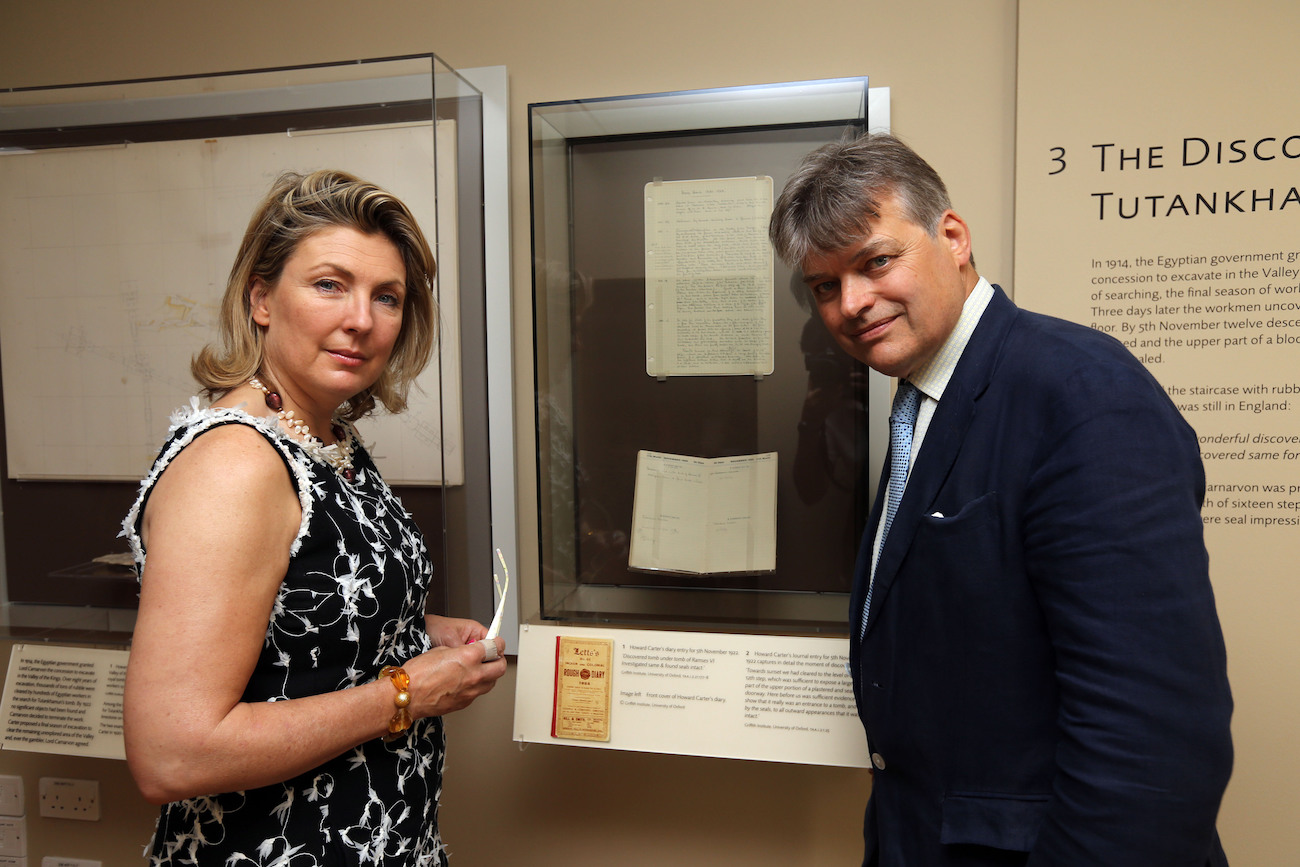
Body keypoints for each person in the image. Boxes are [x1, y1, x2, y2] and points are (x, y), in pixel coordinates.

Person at [769, 134, 1233, 866]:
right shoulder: (921, 399)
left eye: (875, 261)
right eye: (826, 286)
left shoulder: (1082, 394)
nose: (851, 303)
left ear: (951, 236)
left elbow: (1151, 746)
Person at [122, 169, 507, 866]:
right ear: (262, 298)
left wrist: (411, 624)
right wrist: (405, 692)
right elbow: (172, 754)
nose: (361, 318)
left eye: (386, 297)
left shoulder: (322, 434)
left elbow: (294, 609)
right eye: (330, 284)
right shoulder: (235, 465)